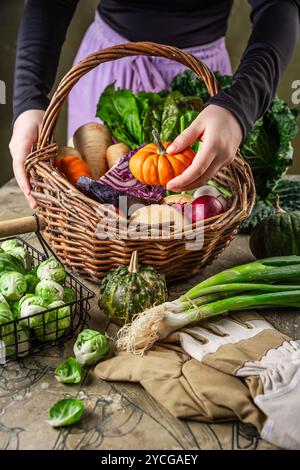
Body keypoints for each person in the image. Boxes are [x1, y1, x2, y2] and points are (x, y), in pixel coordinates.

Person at [10, 0, 300, 208]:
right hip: (107, 73)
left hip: (199, 93)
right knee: (94, 203)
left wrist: (239, 105)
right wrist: (29, 99)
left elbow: (279, 5)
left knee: (184, 214)